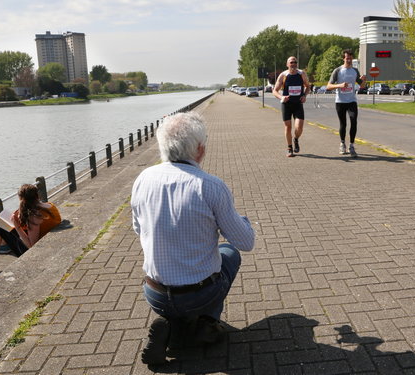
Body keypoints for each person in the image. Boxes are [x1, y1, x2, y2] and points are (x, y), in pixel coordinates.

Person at [131, 112, 255, 365]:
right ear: (199, 149)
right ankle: (206, 323)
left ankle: (172, 326)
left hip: (154, 292)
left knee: (183, 281)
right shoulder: (210, 185)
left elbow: (138, 228)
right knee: (230, 254)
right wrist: (241, 221)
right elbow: (245, 242)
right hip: (196, 294)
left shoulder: (143, 178)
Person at [0, 184, 61, 258]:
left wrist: (17, 226)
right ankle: (0, 243)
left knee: (0, 228)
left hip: (37, 251)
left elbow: (31, 246)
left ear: (20, 199)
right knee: (3, 229)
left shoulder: (34, 215)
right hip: (48, 241)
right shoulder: (50, 205)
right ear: (37, 196)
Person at [326, 49, 366, 157]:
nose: (348, 60)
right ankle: (342, 143)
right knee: (343, 124)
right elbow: (328, 86)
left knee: (354, 120)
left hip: (352, 100)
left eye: (350, 58)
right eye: (346, 58)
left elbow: (362, 86)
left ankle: (352, 145)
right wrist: (339, 85)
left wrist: (363, 80)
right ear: (343, 58)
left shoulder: (355, 71)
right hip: (340, 101)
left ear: (352, 58)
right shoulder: (337, 71)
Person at [273, 56, 310, 157]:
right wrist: (282, 97)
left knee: (299, 127)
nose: (293, 64)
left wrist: (304, 96)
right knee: (288, 126)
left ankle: (296, 139)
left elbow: (308, 86)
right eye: (291, 62)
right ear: (287, 64)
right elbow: (274, 91)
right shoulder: (283, 75)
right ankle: (289, 148)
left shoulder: (301, 74)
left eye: (295, 62)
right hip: (287, 104)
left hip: (298, 104)